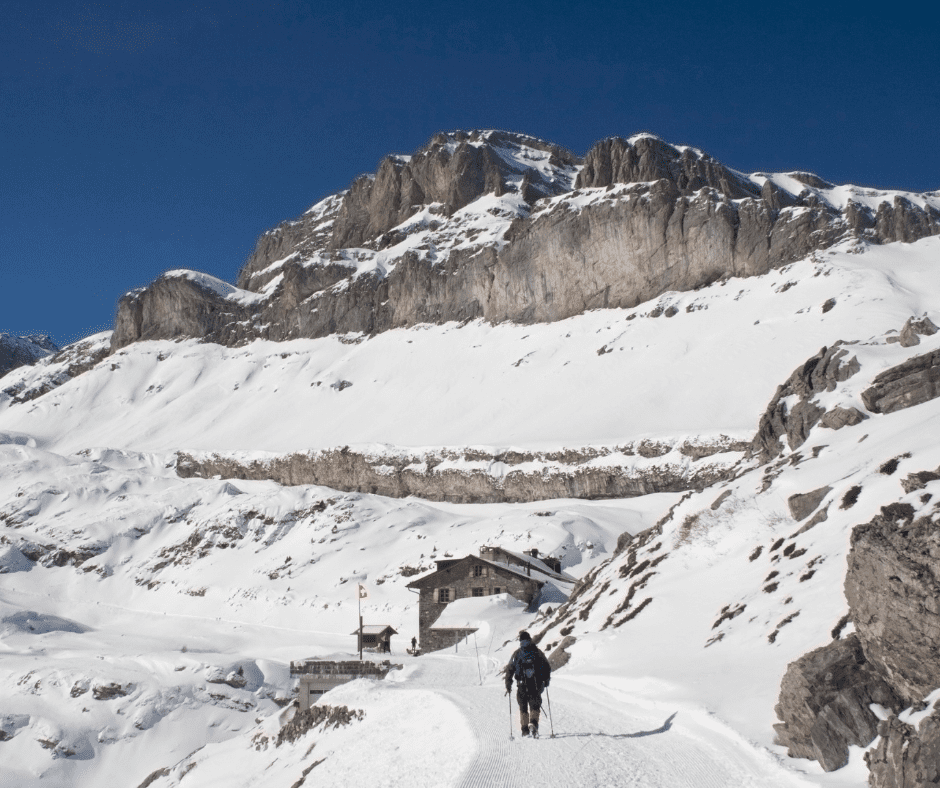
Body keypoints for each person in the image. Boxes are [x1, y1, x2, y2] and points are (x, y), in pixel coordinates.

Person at [504, 630, 551, 737]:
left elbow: (510, 669)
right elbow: (546, 667)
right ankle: (533, 723)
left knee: (523, 708)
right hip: (535, 684)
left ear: (520, 641)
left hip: (521, 685)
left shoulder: (517, 654)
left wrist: (508, 683)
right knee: (535, 706)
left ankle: (525, 730)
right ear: (530, 639)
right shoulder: (537, 652)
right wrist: (546, 680)